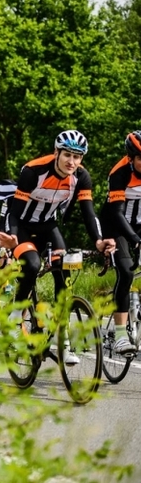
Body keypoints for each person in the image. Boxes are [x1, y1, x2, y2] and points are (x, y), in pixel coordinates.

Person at [0, 130, 115, 365]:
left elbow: (89, 213)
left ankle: (64, 342)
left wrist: (99, 241)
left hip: (48, 226)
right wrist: (12, 239)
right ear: (56, 152)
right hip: (22, 226)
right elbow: (15, 211)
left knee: (64, 275)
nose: (72, 161)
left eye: (77, 157)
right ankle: (15, 320)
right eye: (67, 155)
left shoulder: (81, 177)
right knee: (33, 265)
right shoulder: (33, 171)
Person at [99, 130, 141, 356]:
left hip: (139, 225)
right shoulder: (120, 173)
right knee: (125, 273)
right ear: (131, 157)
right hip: (117, 226)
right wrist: (135, 240)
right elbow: (117, 213)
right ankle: (120, 335)